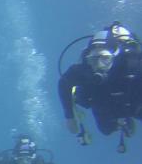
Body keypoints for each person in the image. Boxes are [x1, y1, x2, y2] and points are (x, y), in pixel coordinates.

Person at [57, 21, 142, 152]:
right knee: (106, 130)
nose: (99, 65)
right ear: (88, 58)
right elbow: (63, 83)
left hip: (133, 100)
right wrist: (70, 117)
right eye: (93, 59)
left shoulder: (133, 65)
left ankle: (126, 119)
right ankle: (120, 123)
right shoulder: (84, 70)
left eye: (105, 58)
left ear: (116, 55)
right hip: (103, 100)